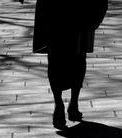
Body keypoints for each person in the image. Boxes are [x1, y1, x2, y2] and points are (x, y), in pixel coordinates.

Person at [33, 0, 108, 130]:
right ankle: (72, 103)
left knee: (56, 57)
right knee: (77, 56)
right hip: (78, 10)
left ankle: (60, 104)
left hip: (56, 10)